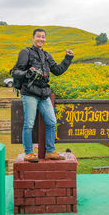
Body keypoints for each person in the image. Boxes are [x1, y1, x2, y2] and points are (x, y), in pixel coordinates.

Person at [12, 28, 74, 162]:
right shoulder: (25, 52)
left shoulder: (47, 55)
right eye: (39, 36)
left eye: (43, 37)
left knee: (52, 122)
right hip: (29, 94)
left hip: (44, 94)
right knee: (29, 124)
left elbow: (57, 70)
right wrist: (27, 73)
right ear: (33, 38)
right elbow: (15, 71)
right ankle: (28, 153)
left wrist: (68, 58)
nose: (41, 39)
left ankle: (50, 151)